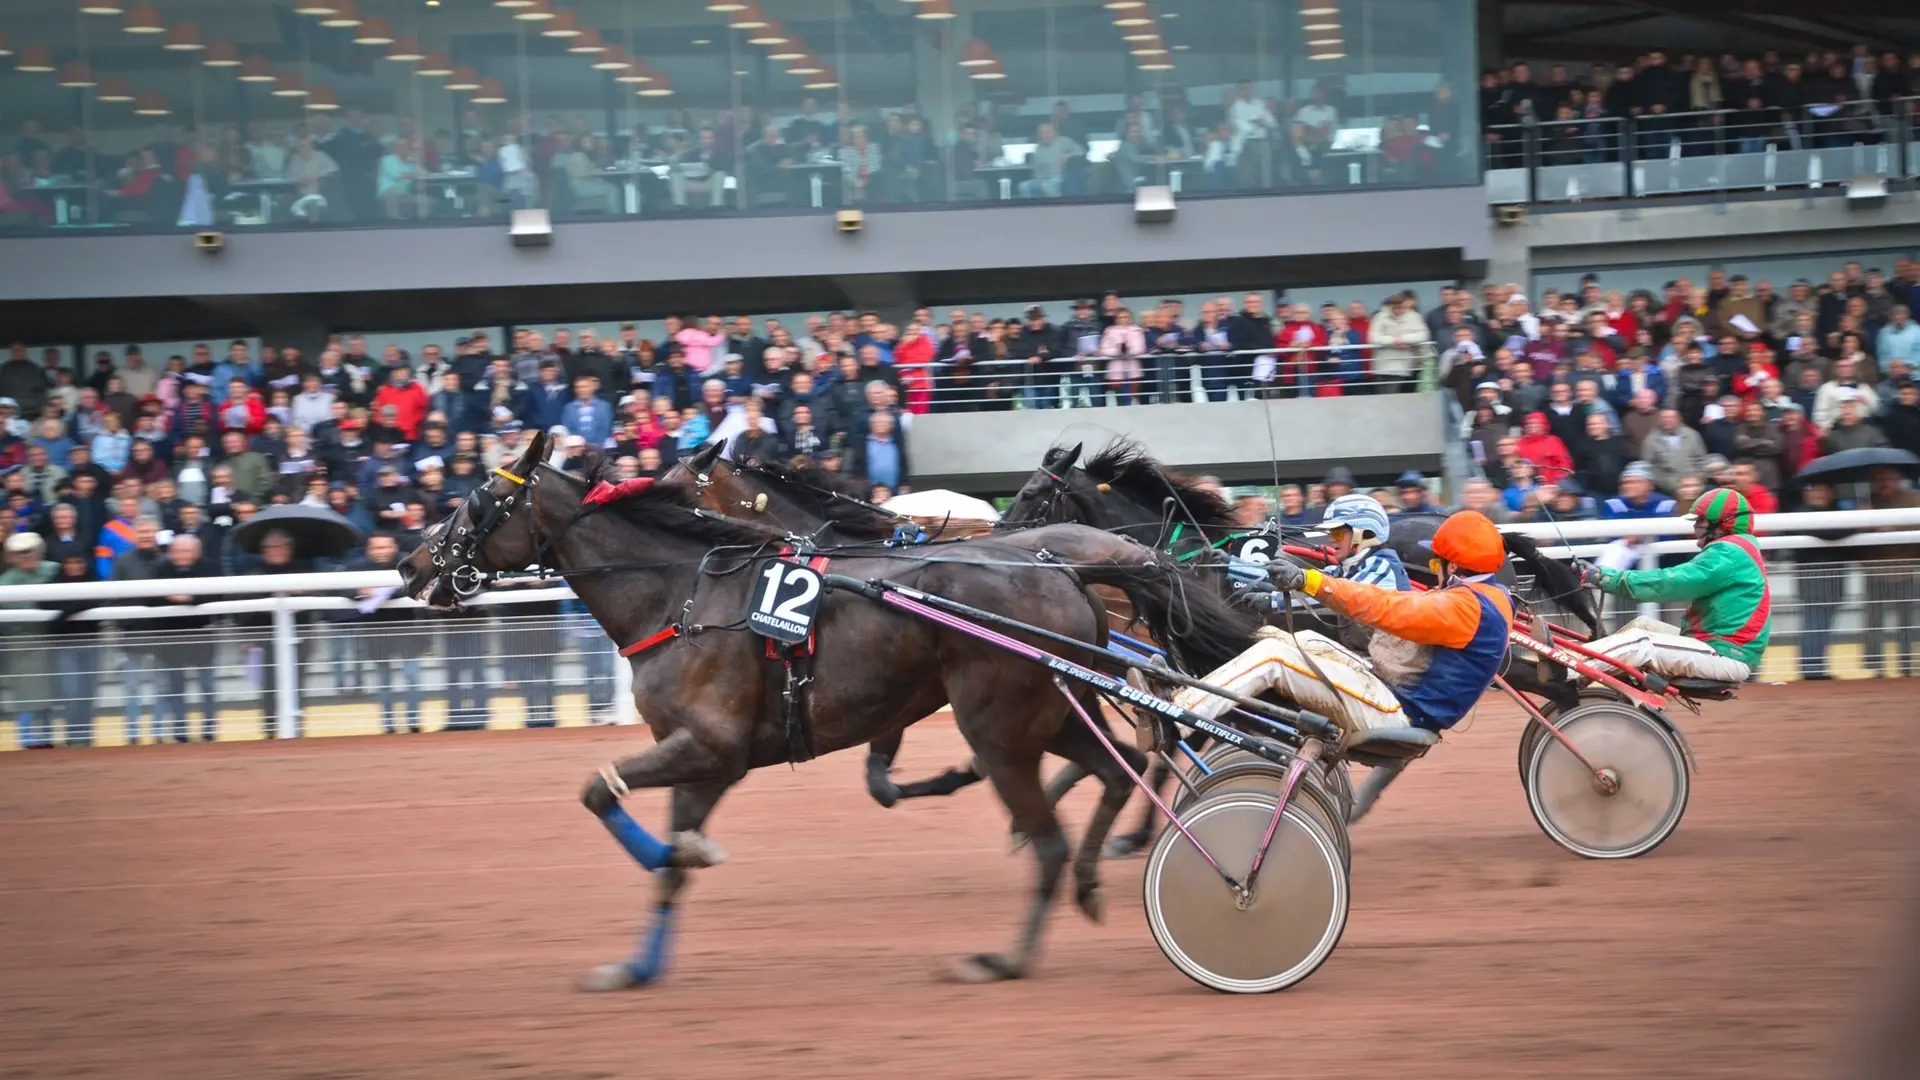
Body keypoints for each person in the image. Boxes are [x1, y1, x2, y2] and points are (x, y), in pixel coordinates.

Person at [1257, 511, 1515, 821]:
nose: (1434, 572)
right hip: (1404, 697)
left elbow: (1386, 606)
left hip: (1400, 707)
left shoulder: (1465, 606)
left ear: (1454, 566)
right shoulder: (1492, 595)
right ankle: (1347, 808)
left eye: (1435, 564)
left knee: (1276, 653)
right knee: (1305, 640)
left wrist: (1311, 582)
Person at [1579, 488, 1771, 684]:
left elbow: (1672, 582)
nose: (1695, 527)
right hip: (1716, 645)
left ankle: (1571, 668)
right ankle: (1596, 679)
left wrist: (1611, 579)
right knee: (1642, 624)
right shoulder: (1736, 549)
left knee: (1641, 641)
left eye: (1699, 521)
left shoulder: (1729, 553)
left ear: (1721, 524)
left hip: (1726, 654)